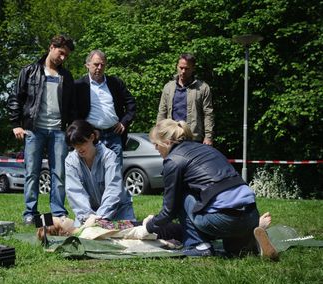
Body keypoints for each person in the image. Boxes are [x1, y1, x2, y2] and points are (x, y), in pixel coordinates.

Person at [144, 119, 277, 259]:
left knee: (183, 195)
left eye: (156, 145)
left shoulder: (173, 160)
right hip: (250, 213)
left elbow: (169, 211)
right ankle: (251, 238)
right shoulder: (207, 149)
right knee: (237, 253)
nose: (156, 149)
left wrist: (148, 227)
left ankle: (199, 245)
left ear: (167, 142)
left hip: (225, 219)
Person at [7, 35, 76, 225]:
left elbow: (71, 106)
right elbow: (15, 98)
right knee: (32, 172)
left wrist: (71, 127)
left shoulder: (66, 76)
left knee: (59, 172)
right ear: (51, 47)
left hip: (59, 131)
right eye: (61, 53)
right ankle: (30, 212)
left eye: (66, 56)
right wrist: (16, 124)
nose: (63, 58)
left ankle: (58, 213)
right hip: (34, 130)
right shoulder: (29, 71)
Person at [65, 120, 136, 227]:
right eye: (75, 145)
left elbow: (113, 189)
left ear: (92, 137)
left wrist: (99, 218)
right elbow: (75, 192)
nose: (79, 148)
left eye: (82, 143)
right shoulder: (70, 161)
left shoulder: (109, 157)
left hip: (118, 210)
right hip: (88, 215)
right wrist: (88, 217)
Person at [75, 49, 136, 166]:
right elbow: (73, 112)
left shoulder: (115, 83)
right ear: (87, 65)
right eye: (96, 64)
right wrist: (85, 130)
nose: (99, 68)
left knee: (115, 174)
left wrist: (124, 122)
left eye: (102, 65)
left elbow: (131, 103)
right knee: (93, 174)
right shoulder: (79, 85)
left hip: (114, 136)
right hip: (90, 138)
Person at [157, 53, 214, 146]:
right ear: (177, 66)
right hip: (171, 136)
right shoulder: (168, 87)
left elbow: (208, 114)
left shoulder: (203, 88)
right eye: (181, 68)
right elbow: (162, 112)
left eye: (186, 69)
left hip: (193, 137)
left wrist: (208, 137)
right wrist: (159, 133)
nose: (183, 71)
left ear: (193, 69)